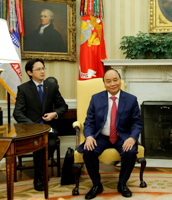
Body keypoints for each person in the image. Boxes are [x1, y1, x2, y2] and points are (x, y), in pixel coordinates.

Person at [76, 69, 143, 199]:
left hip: (121, 136)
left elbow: (137, 123)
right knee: (88, 151)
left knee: (130, 152)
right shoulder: (96, 99)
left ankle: (122, 184)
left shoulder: (131, 100)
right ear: (104, 83)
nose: (112, 84)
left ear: (120, 81)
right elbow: (89, 121)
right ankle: (96, 184)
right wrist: (89, 136)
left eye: (115, 80)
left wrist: (132, 138)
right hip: (100, 136)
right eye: (108, 81)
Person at [13, 58, 68, 191]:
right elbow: (17, 113)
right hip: (32, 129)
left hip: (48, 128)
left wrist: (55, 114)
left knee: (50, 144)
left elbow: (63, 106)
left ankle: (40, 174)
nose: (42, 71)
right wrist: (33, 126)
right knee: (39, 146)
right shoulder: (23, 89)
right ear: (29, 72)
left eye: (43, 68)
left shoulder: (52, 87)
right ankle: (40, 177)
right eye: (38, 69)